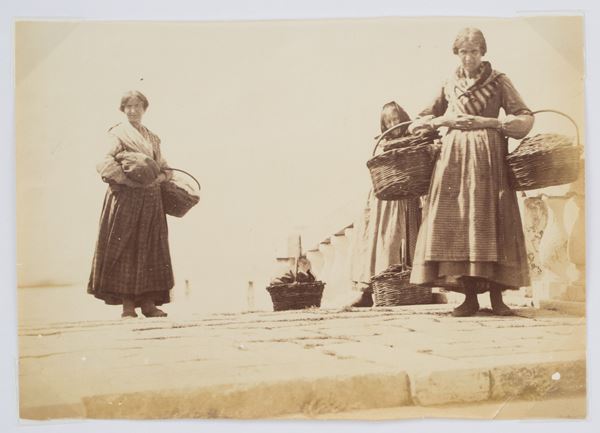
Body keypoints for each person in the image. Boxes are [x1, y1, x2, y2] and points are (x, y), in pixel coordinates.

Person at [408, 28, 534, 317]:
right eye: (463, 51)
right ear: (456, 53)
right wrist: (445, 119)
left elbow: (525, 117)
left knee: (491, 220)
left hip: (489, 158)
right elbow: (418, 121)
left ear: (483, 52)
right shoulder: (447, 83)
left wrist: (490, 123)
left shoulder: (499, 81)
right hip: (452, 161)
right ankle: (469, 299)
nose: (469, 57)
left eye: (474, 51)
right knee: (458, 223)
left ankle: (498, 298)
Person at [88, 90, 174, 318]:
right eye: (128, 106)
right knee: (125, 248)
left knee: (150, 249)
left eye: (138, 106)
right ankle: (127, 304)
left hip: (151, 200)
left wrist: (161, 177)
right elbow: (104, 162)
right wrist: (126, 180)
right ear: (123, 109)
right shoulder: (118, 134)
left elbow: (165, 167)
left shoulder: (153, 138)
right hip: (125, 198)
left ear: (145, 109)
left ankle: (148, 303)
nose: (133, 110)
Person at [349, 101, 422, 307]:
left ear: (403, 119)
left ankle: (406, 288)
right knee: (379, 241)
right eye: (388, 121)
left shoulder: (412, 140)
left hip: (405, 196)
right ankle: (369, 290)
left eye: (396, 119)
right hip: (384, 199)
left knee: (400, 240)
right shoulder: (383, 144)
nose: (393, 124)